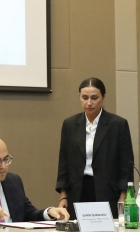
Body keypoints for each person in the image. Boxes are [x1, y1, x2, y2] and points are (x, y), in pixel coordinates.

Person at [56, 77, 134, 219]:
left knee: (106, 230)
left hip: (107, 191)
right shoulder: (70, 124)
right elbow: (64, 162)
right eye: (84, 98)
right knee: (77, 229)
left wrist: (123, 197)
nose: (89, 103)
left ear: (103, 98)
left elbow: (126, 164)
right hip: (77, 190)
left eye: (94, 98)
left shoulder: (117, 124)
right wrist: (63, 196)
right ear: (79, 97)